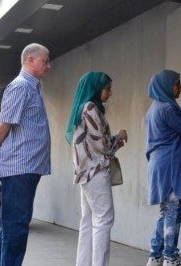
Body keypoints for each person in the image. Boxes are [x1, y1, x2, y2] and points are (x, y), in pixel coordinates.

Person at [0, 43, 52, 266]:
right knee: (16, 228)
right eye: (45, 60)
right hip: (19, 168)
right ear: (30, 60)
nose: (49, 66)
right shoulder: (21, 86)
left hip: (26, 168)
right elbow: (2, 124)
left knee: (11, 228)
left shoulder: (32, 87)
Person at [65, 71, 128, 266]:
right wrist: (118, 137)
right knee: (103, 221)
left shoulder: (80, 109)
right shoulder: (91, 108)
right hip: (96, 172)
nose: (110, 93)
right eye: (107, 89)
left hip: (85, 174)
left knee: (88, 222)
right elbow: (102, 144)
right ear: (95, 89)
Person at [144, 70, 181, 266]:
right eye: (177, 83)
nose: (180, 87)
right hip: (171, 166)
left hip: (160, 165)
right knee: (173, 210)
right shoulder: (168, 108)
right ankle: (170, 257)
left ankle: (155, 255)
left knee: (165, 211)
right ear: (166, 86)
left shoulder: (153, 109)